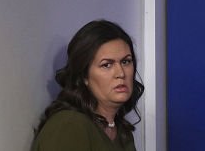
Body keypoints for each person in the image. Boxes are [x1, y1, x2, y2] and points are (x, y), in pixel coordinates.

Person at [31, 20, 143, 151]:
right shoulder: (69, 125)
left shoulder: (123, 132)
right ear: (84, 75)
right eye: (106, 65)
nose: (121, 73)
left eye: (126, 61)